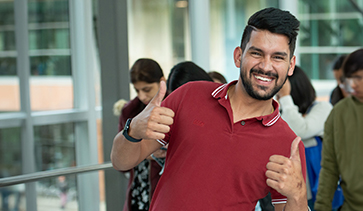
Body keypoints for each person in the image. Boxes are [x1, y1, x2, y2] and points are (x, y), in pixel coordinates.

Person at [111, 7, 308, 211]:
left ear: (291, 65)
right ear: (238, 56)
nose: (266, 67)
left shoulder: (288, 144)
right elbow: (121, 162)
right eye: (257, 53)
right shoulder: (188, 96)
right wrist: (132, 130)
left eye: (278, 57)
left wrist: (298, 194)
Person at [314, 48, 363, 211]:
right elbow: (329, 168)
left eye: (358, 78)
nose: (352, 84)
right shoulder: (338, 113)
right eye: (348, 79)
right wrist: (321, 207)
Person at [277, 66, 333, 210]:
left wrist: (285, 97)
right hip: (292, 188)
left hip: (319, 187)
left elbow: (300, 130)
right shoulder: (283, 112)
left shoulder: (323, 108)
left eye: (280, 89)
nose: (277, 95)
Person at [117, 58, 167, 211]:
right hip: (139, 188)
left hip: (164, 186)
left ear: (162, 82)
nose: (141, 96)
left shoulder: (172, 106)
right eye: (137, 90)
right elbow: (121, 160)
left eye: (146, 90)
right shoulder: (129, 111)